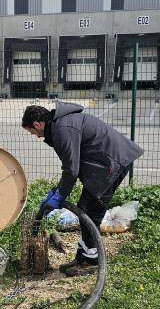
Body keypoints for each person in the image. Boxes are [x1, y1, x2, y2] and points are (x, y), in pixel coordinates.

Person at [22, 102, 144, 276]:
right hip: (105, 161)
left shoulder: (62, 129)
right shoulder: (61, 125)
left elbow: (71, 170)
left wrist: (59, 195)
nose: (36, 136)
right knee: (85, 208)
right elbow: (71, 165)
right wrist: (58, 191)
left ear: (37, 124)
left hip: (111, 163)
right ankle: (83, 258)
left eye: (32, 132)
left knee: (89, 211)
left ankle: (91, 261)